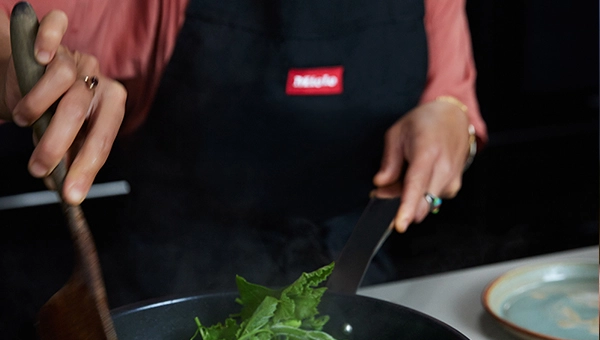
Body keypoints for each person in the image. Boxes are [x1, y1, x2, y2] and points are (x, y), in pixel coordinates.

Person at [0, 0, 487, 305]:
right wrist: (19, 64)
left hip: (356, 280)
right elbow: (14, 31)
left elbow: (452, 101)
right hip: (169, 291)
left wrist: (451, 122)